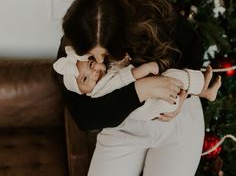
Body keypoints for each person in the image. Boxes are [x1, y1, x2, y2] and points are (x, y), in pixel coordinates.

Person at [56, 0, 213, 176]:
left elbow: (194, 51)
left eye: (106, 55)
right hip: (122, 127)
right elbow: (85, 117)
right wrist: (141, 89)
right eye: (91, 56)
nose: (98, 62)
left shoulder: (154, 15)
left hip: (176, 122)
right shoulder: (72, 49)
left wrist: (183, 96)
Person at [53, 45, 221, 120]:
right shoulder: (99, 91)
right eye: (85, 79)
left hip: (155, 102)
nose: (94, 73)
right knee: (173, 77)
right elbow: (123, 78)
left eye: (91, 65)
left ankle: (202, 89)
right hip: (151, 106)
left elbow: (119, 70)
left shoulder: (103, 73)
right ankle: (203, 90)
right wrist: (145, 68)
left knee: (173, 78)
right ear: (84, 93)